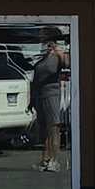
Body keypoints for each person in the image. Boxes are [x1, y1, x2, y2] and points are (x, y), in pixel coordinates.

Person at [29, 28, 69, 171]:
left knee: (54, 128)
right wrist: (31, 100)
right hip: (40, 94)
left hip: (52, 94)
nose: (42, 41)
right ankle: (45, 160)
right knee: (44, 130)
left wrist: (59, 52)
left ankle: (55, 161)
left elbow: (69, 64)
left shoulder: (58, 54)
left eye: (44, 38)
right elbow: (35, 79)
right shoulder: (42, 57)